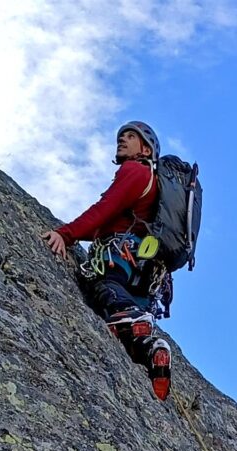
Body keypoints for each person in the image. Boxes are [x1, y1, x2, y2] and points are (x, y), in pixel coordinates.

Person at [42, 121, 172, 400]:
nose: (122, 139)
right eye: (121, 136)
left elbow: (105, 209)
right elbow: (108, 221)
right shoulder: (154, 184)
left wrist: (65, 234)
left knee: (105, 288)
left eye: (131, 137)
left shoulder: (135, 171)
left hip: (121, 257)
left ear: (146, 149)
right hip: (146, 273)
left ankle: (133, 317)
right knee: (125, 328)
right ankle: (150, 351)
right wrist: (77, 234)